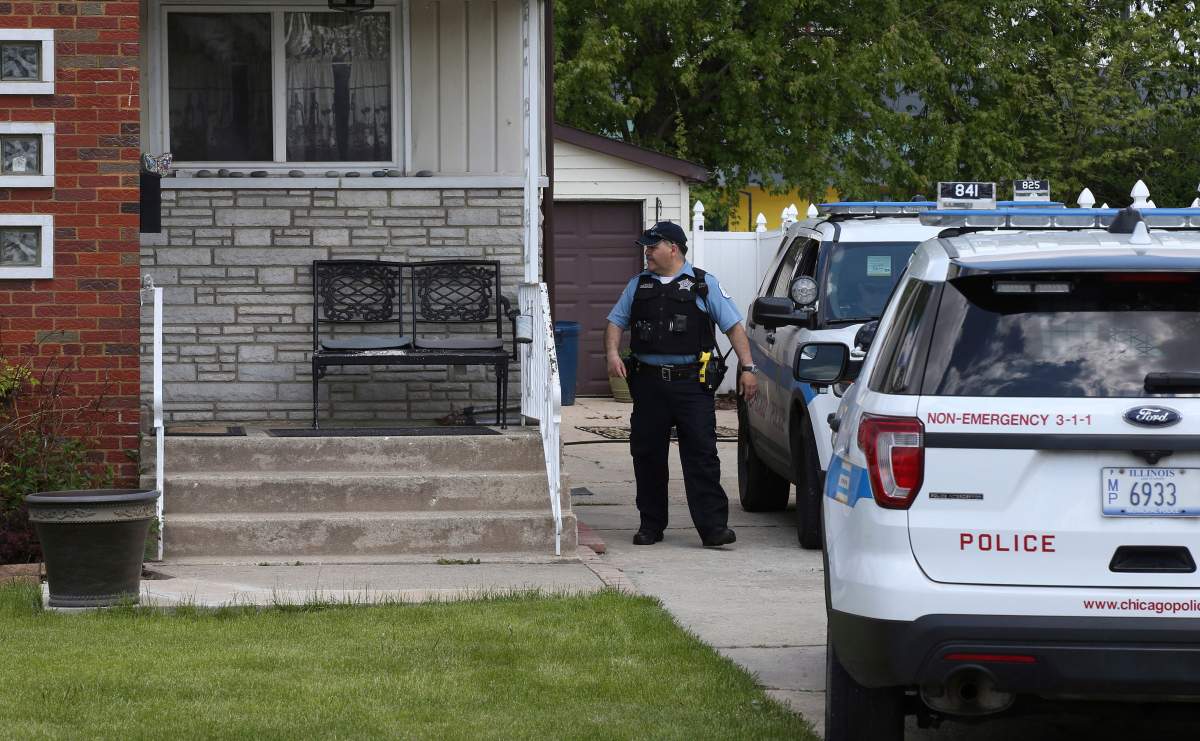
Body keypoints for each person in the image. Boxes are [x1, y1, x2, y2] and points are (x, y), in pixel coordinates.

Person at [604, 221, 759, 548]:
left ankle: (713, 528)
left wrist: (748, 367)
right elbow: (615, 321)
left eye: (652, 246)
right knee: (647, 456)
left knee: (702, 455)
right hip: (648, 385)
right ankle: (651, 525)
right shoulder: (638, 285)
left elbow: (734, 327)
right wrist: (611, 353)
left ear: (672, 248)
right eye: (646, 246)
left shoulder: (703, 284)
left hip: (692, 384)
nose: (647, 252)